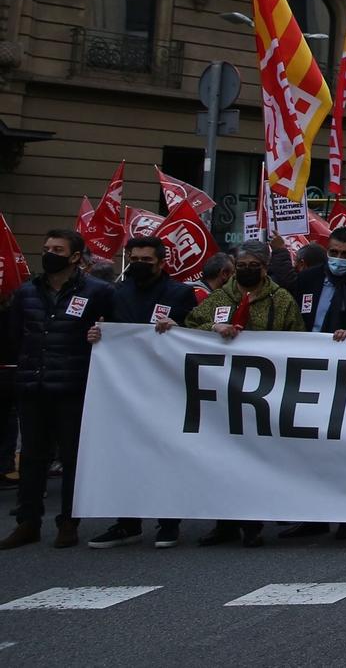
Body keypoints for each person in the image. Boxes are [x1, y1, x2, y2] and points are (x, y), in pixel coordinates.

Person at [0, 229, 114, 551]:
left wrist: (100, 334)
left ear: (75, 257)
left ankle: (68, 521)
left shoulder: (99, 291)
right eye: (47, 247)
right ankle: (28, 522)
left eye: (57, 249)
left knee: (72, 457)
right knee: (33, 457)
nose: (49, 253)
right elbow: (14, 337)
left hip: (73, 386)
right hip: (33, 384)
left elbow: (115, 332)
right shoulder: (27, 292)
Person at [182, 241, 302, 547]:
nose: (247, 270)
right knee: (225, 457)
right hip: (223, 390)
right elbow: (191, 324)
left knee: (257, 456)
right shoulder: (222, 296)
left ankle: (252, 522)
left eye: (254, 265)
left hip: (264, 391)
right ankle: (225, 522)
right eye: (242, 264)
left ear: (264, 268)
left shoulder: (282, 299)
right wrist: (215, 326)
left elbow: (298, 337)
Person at [84, 235, 197, 549]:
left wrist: (178, 326)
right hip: (124, 388)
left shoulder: (181, 293)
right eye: (134, 259)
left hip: (165, 386)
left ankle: (168, 522)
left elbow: (195, 333)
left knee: (166, 453)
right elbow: (104, 325)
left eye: (146, 260)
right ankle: (127, 523)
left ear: (162, 262)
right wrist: (97, 333)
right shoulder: (116, 293)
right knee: (125, 454)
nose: (140, 265)